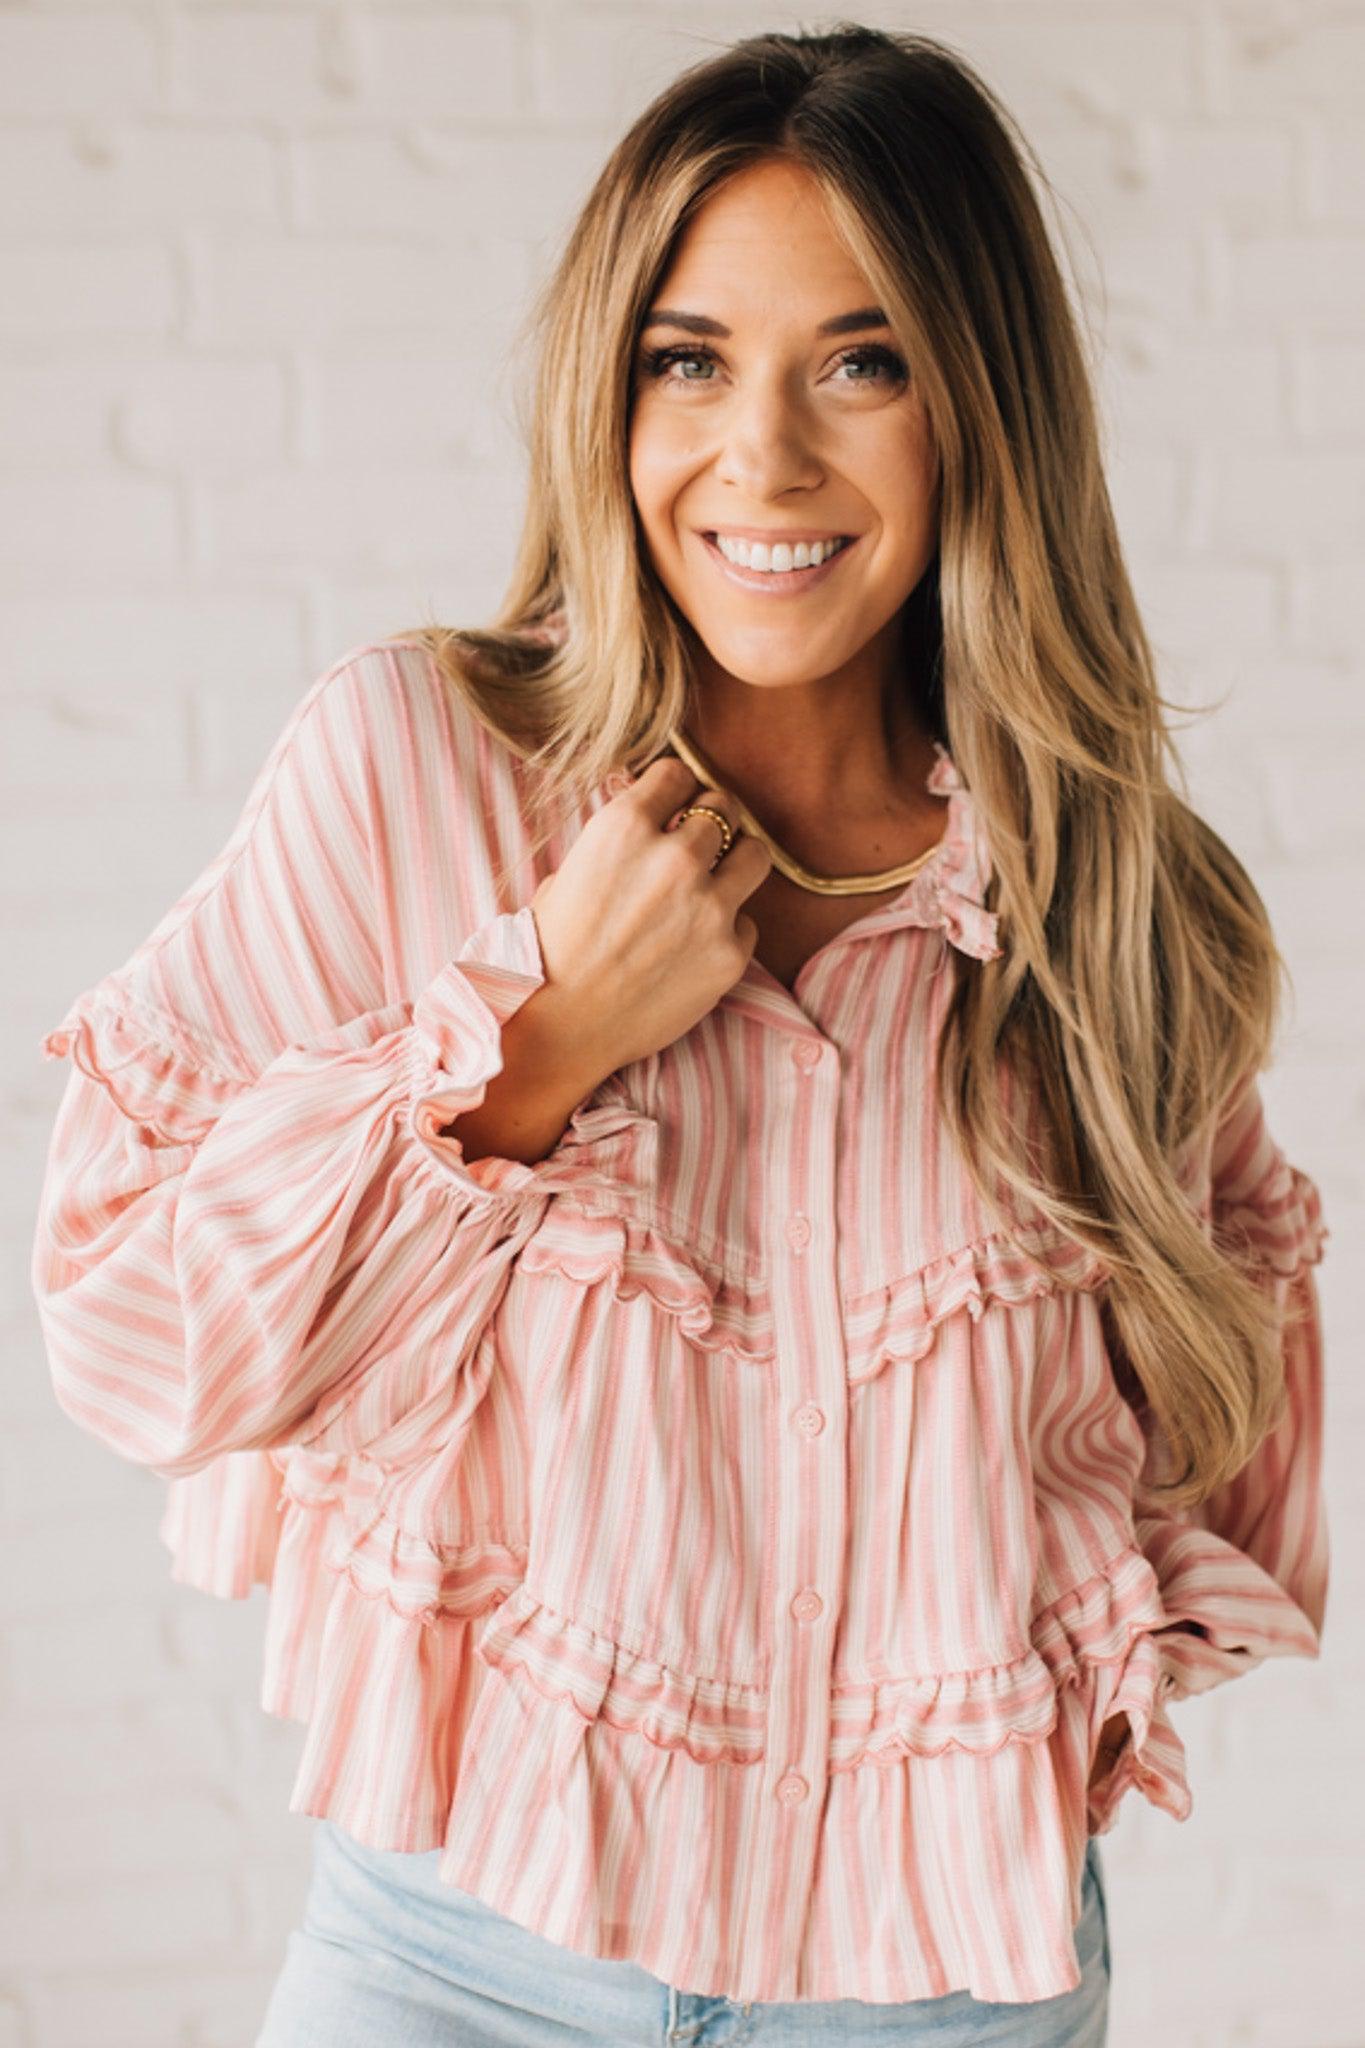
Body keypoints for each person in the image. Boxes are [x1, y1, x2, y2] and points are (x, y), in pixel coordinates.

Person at [31, 24, 1329, 2048]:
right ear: (607, 393)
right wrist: (525, 1048)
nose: (766, 459)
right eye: (687, 358)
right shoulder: (418, 772)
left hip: (943, 1994)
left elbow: (1208, 1427)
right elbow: (130, 1339)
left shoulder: (1110, 895)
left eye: (862, 359)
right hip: (452, 1956)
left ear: (976, 401)